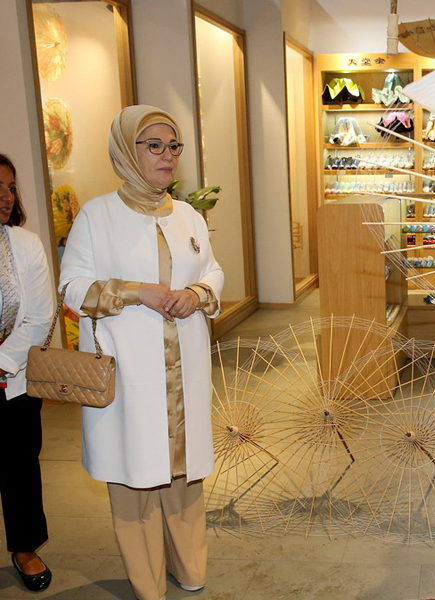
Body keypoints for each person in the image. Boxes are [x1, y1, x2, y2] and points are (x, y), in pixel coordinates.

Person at [59, 105, 224, 600]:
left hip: (184, 370)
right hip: (130, 374)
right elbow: (72, 287)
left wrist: (196, 294)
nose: (168, 156)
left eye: (173, 146)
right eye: (154, 146)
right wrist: (137, 292)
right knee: (135, 478)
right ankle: (147, 584)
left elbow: (213, 271)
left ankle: (189, 567)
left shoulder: (188, 215)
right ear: (127, 152)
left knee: (184, 474)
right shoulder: (97, 215)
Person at [0, 154, 55, 592]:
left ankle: (25, 547)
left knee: (19, 465)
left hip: (13, 378)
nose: (6, 194)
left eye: (12, 186)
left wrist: (2, 363)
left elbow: (40, 316)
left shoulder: (26, 243)